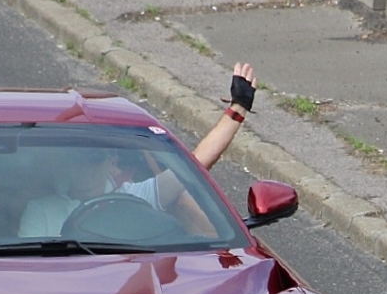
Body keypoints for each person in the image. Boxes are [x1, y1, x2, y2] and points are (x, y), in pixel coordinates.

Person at [18, 62, 257, 238]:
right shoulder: (42, 210)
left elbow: (195, 164)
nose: (85, 166)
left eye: (94, 158)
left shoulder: (137, 197)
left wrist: (238, 108)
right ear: (65, 163)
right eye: (77, 159)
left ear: (111, 161)